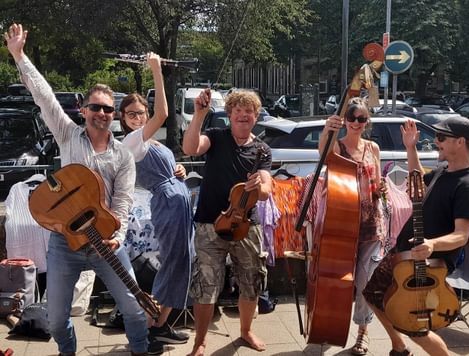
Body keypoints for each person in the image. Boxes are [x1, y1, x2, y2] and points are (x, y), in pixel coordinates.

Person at [4, 24, 160, 356]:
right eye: (95, 107)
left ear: (113, 115)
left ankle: (140, 350)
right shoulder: (67, 135)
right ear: (84, 110)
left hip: (105, 240)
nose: (101, 114)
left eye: (107, 109)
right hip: (65, 242)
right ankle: (67, 352)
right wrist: (19, 56)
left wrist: (117, 234)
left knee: (133, 309)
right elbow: (43, 96)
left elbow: (123, 200)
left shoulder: (122, 156)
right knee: (57, 319)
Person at [362, 116, 469, 356]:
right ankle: (398, 345)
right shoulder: (443, 172)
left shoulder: (467, 185)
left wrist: (432, 245)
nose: (436, 142)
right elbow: (417, 180)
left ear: (460, 142)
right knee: (374, 295)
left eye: (441, 138)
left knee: (413, 323)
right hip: (405, 253)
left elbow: (462, 235)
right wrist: (410, 147)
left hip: (428, 264)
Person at [182, 89, 272, 356]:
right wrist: (199, 115)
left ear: (255, 117)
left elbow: (266, 190)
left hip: (246, 225)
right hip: (210, 223)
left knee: (251, 279)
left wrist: (259, 185)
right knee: (206, 285)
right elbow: (189, 149)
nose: (243, 116)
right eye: (238, 111)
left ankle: (245, 332)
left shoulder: (262, 149)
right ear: (230, 114)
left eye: (249, 112)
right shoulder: (216, 137)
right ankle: (200, 342)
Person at [119, 53, 192, 344]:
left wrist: (180, 170)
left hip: (176, 198)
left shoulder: (148, 141)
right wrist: (156, 71)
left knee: (180, 259)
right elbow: (163, 113)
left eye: (141, 112)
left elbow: (166, 169)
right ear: (122, 118)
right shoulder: (131, 142)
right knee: (175, 260)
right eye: (132, 114)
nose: (139, 117)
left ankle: (159, 324)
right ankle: (153, 326)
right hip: (168, 203)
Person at [319, 97, 386, 356]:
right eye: (352, 118)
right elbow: (323, 156)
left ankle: (362, 332)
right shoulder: (338, 147)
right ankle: (329, 326)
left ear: (367, 122)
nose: (357, 123)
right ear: (345, 120)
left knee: (365, 281)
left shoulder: (373, 148)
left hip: (372, 223)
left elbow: (377, 180)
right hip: (343, 222)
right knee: (339, 281)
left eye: (361, 119)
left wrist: (381, 189)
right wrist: (328, 130)